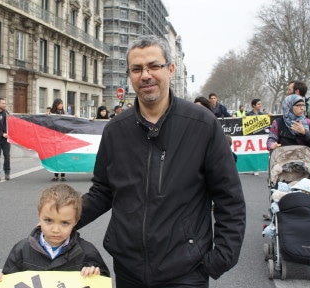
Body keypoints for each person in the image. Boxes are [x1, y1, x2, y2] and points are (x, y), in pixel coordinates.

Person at [76, 35, 246, 287]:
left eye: (154, 66)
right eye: (137, 69)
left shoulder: (203, 125)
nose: (145, 75)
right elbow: (103, 191)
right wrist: (60, 220)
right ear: (130, 75)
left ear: (171, 69)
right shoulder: (115, 130)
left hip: (186, 273)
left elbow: (229, 198)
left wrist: (221, 258)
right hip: (128, 271)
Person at [0, 184, 110, 281]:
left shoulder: (87, 252)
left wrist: (95, 274)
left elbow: (103, 281)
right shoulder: (22, 249)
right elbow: (9, 280)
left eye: (64, 223)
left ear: (76, 221)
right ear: (39, 216)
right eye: (48, 220)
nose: (55, 229)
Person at [287, 80, 310, 161]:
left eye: (289, 90)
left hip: (307, 155)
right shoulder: (287, 106)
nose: (287, 92)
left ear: (297, 92)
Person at [50, 98, 66, 181]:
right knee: (55, 157)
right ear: (56, 104)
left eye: (62, 104)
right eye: (60, 104)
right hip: (54, 138)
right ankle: (56, 175)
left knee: (63, 156)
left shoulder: (64, 113)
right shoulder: (52, 113)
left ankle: (63, 175)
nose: (61, 105)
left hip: (62, 137)